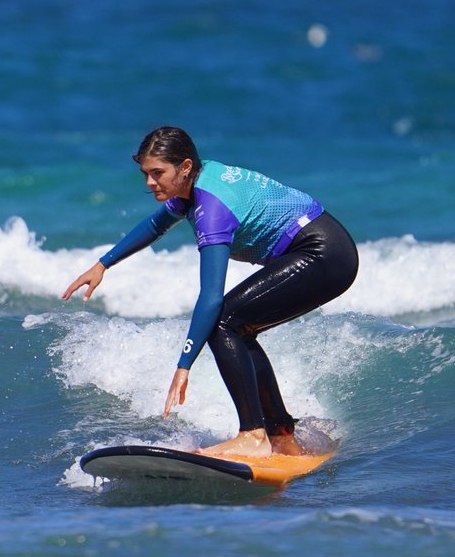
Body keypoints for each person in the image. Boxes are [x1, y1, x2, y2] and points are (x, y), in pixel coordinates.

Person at [63, 126, 359, 459]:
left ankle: (253, 436)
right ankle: (282, 435)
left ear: (185, 167)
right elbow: (154, 225)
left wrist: (184, 364)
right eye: (146, 174)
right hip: (325, 246)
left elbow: (211, 297)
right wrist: (103, 264)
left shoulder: (212, 210)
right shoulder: (196, 184)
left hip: (323, 255)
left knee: (223, 321)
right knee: (239, 327)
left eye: (157, 173)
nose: (149, 182)